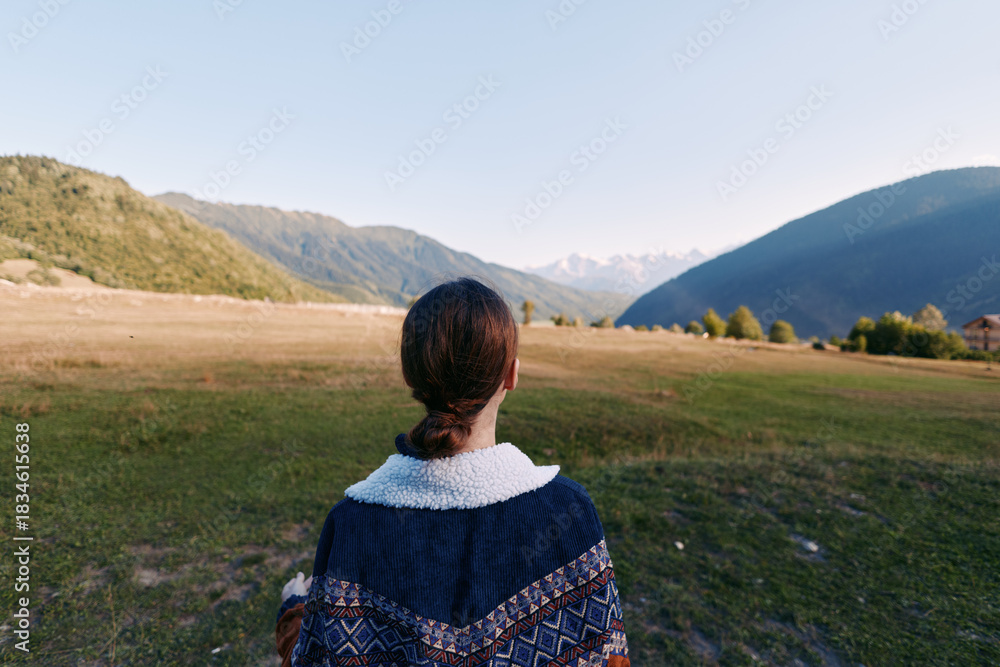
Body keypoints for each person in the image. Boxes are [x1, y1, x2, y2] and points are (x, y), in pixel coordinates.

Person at [275, 277, 630, 666]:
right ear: (511, 375)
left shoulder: (349, 525)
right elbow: (608, 657)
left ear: (410, 377)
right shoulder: (571, 511)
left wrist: (295, 612)